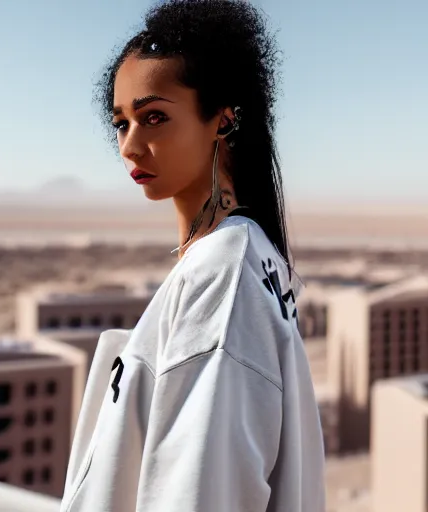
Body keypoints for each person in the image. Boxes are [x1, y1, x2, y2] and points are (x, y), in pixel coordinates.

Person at [60, 1, 325, 511]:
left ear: (223, 120)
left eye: (154, 117)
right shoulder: (244, 259)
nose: (129, 147)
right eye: (121, 123)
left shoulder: (223, 276)